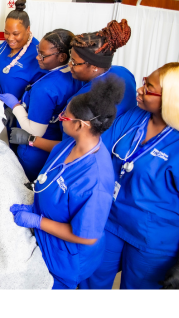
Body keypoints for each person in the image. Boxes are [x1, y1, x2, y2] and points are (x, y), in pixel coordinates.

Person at [10, 76, 124, 289]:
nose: (60, 118)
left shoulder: (95, 180)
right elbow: (54, 170)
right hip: (45, 240)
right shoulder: (69, 145)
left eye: (64, 117)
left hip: (66, 259)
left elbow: (87, 237)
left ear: (80, 125)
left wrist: (37, 221)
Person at [81, 63, 179, 289]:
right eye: (145, 82)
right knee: (92, 280)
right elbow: (98, 150)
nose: (140, 90)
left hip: (153, 238)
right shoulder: (135, 116)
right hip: (110, 219)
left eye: (149, 88)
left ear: (171, 99)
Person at [11, 19, 137, 155]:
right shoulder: (124, 73)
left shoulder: (82, 100)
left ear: (94, 66)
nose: (70, 65)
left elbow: (72, 148)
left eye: (75, 63)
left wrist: (31, 139)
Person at [0, 29, 83, 181]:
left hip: (34, 154)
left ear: (62, 56)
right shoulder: (74, 74)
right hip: (53, 149)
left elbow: (35, 131)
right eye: (38, 51)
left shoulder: (45, 88)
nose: (37, 57)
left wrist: (16, 106)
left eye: (42, 55)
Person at [0, 0, 47, 100]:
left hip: (12, 110)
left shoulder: (37, 54)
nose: (10, 38)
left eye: (16, 34)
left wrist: (18, 108)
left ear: (28, 29)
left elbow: (40, 91)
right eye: (6, 32)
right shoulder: (6, 45)